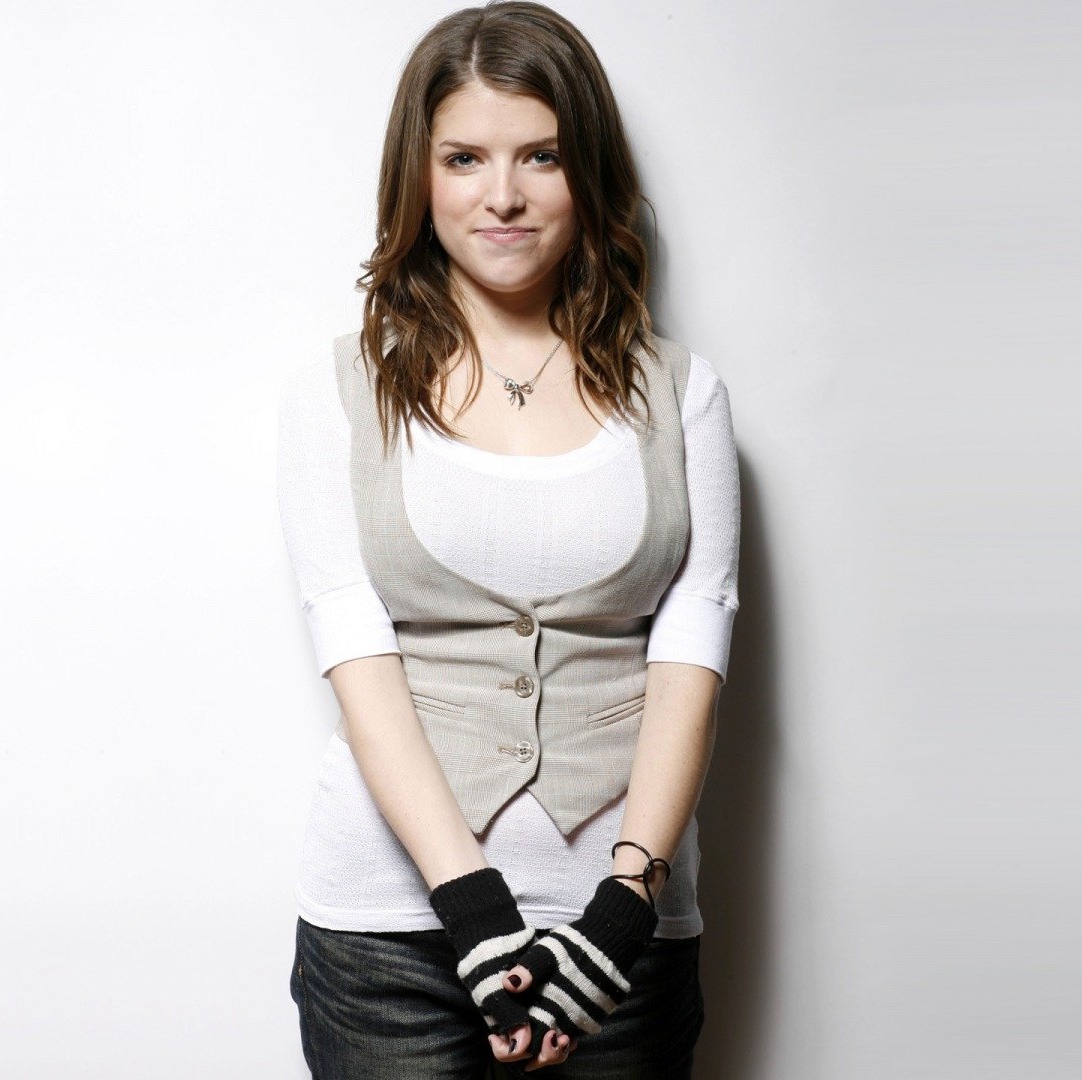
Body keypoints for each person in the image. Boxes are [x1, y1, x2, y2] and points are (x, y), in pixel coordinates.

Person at [274, 3, 739, 1076]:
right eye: (465, 157)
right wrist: (472, 907)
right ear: (419, 175)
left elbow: (691, 652)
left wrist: (627, 901)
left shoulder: (685, 396)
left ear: (590, 175)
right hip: (387, 934)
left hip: (616, 945)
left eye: (542, 156)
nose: (504, 195)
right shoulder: (338, 394)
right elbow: (358, 656)